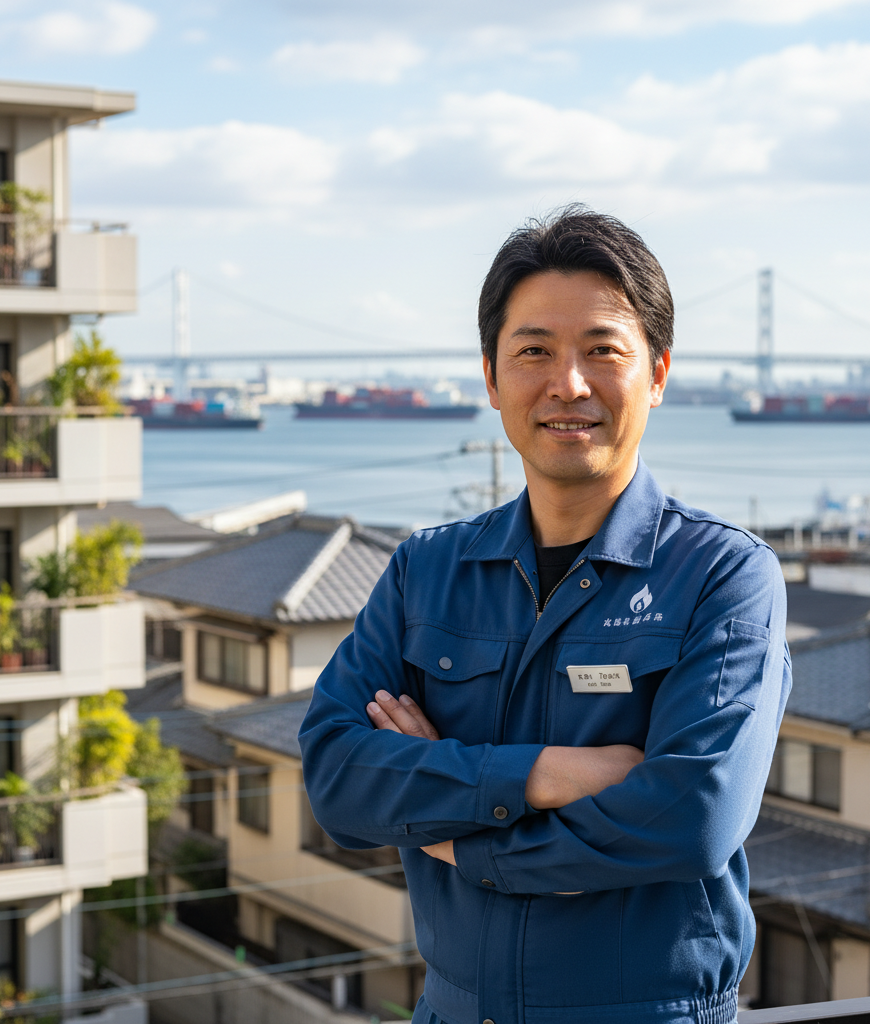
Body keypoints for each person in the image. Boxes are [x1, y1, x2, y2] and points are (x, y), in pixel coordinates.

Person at [298, 206, 790, 1024]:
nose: (569, 385)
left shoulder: (724, 575)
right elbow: (337, 779)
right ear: (491, 379)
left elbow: (694, 817)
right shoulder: (428, 570)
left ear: (659, 373)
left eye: (603, 351)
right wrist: (545, 774)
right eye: (534, 352)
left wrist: (455, 835)